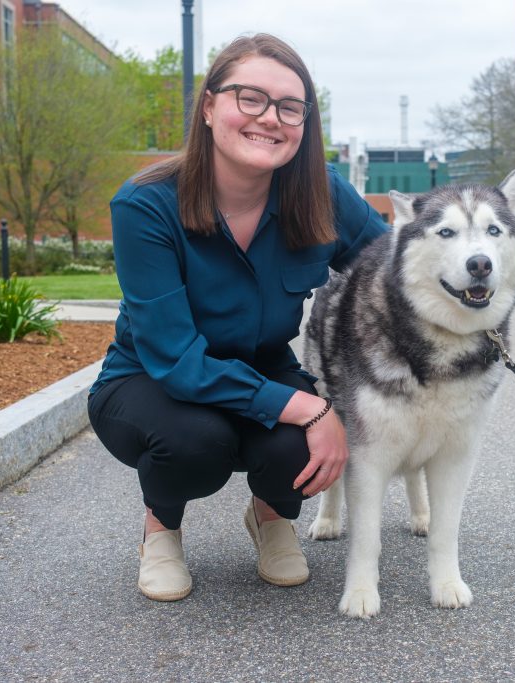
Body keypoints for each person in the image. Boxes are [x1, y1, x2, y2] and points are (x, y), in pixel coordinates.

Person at [87, 34, 388, 602]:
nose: (270, 118)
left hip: (261, 365)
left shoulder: (321, 193)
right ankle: (160, 531)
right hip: (149, 378)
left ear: (305, 122)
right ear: (208, 107)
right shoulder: (145, 204)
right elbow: (175, 359)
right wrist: (313, 405)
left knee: (296, 446)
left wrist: (469, 307)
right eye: (250, 98)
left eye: (289, 106)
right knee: (197, 441)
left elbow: (396, 270)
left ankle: (271, 519)